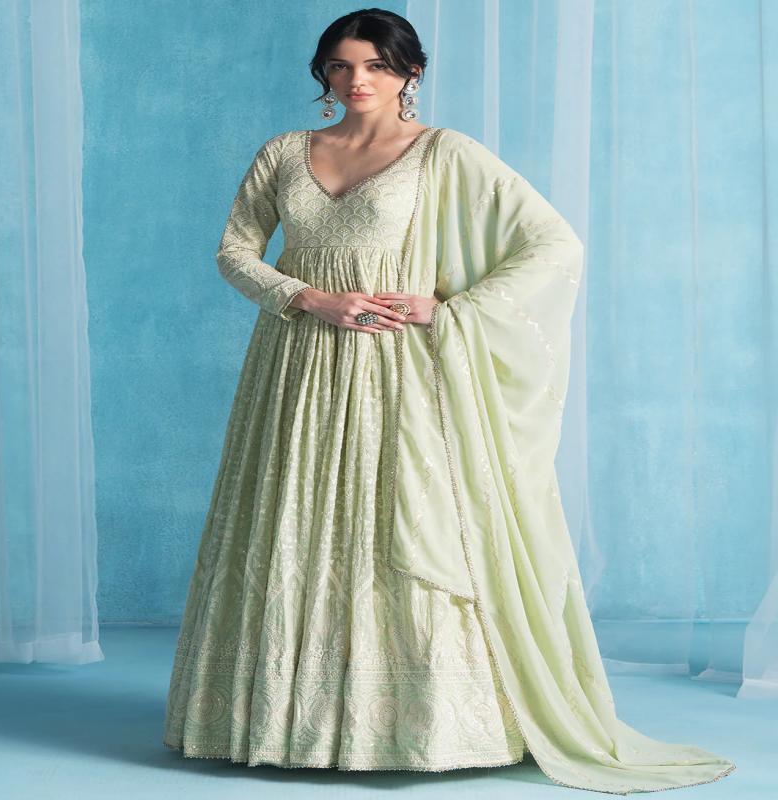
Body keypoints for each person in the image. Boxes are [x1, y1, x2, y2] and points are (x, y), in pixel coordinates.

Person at [163, 8, 736, 793]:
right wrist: (309, 297)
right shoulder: (285, 153)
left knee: (404, 525)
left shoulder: (446, 155)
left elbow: (553, 244)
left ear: (411, 73)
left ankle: (419, 726)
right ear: (323, 73)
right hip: (296, 367)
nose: (356, 80)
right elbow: (234, 251)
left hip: (399, 372)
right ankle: (279, 720)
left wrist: (450, 308)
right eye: (340, 65)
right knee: (292, 519)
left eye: (376, 65)